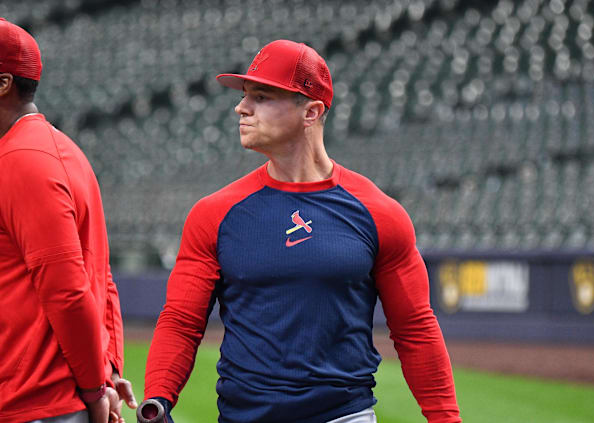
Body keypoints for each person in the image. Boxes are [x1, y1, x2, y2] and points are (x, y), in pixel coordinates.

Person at [141, 40, 462, 422]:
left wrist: (446, 417)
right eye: (245, 96)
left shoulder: (380, 213)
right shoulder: (214, 213)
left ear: (311, 111)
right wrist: (158, 398)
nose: (241, 108)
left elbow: (415, 329)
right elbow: (181, 320)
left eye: (261, 96)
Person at [0, 17, 136, 423]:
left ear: (1, 84)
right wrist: (108, 370)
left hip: (31, 405)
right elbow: (100, 278)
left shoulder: (24, 162)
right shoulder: (60, 150)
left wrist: (95, 387)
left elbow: (70, 292)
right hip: (43, 403)